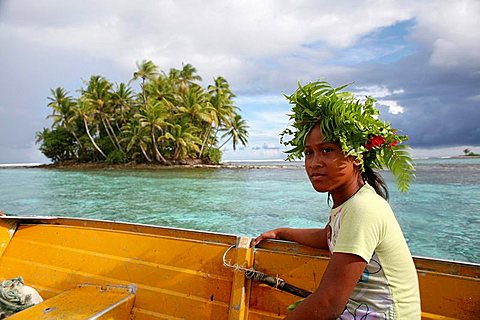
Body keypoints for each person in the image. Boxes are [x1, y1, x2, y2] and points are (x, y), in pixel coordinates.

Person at [254, 81, 421, 319]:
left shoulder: (364, 208)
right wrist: (282, 233)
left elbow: (328, 303)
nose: (314, 163)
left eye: (327, 150)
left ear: (356, 156)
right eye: (309, 153)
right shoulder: (350, 204)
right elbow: (330, 236)